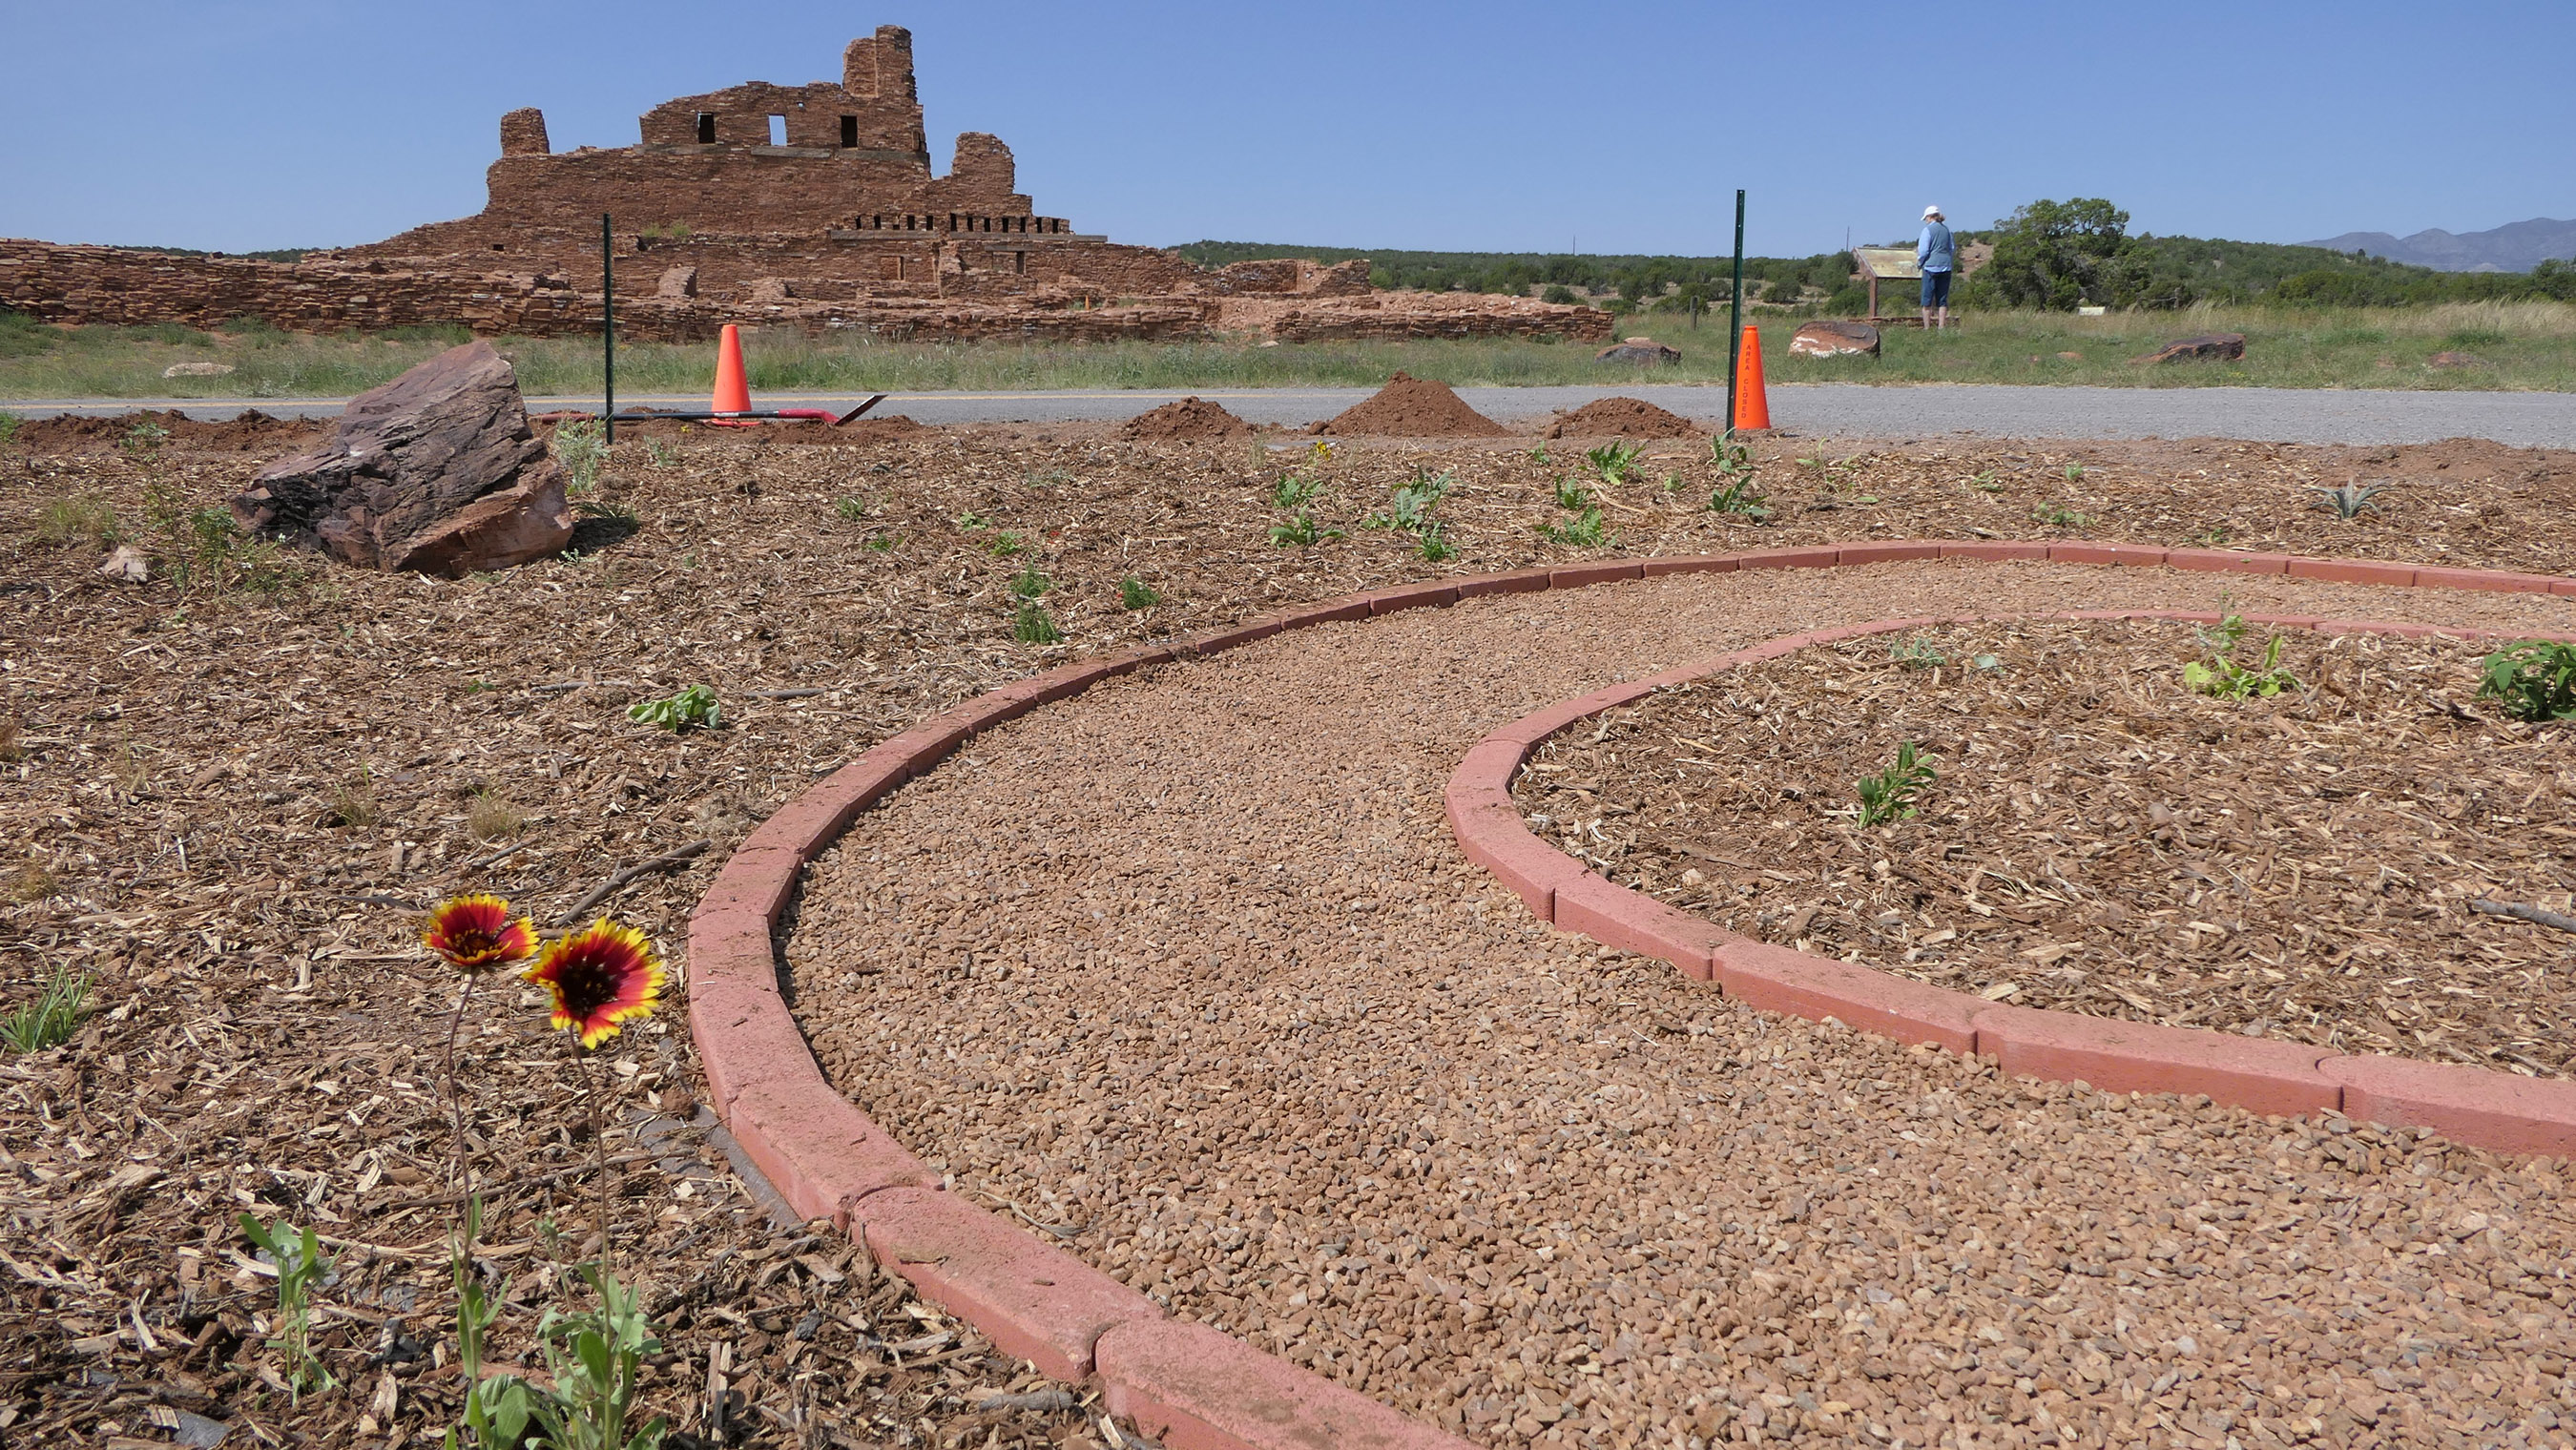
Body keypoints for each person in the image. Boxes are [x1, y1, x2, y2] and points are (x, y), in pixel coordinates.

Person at [1917, 205, 1955, 330]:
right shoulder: (1947, 230)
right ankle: (1941, 327)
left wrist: (1919, 263)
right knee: (1942, 300)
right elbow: (1952, 248)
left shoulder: (1927, 231)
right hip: (1946, 266)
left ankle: (1927, 328)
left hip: (1930, 267)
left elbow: (1923, 251)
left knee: (1927, 300)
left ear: (1929, 217)